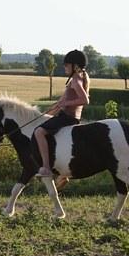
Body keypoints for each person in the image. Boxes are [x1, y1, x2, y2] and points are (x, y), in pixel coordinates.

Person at [34, 49, 90, 178]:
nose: (64, 67)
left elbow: (84, 99)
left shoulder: (76, 81)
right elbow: (60, 102)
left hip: (68, 118)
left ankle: (46, 167)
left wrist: (65, 104)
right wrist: (48, 113)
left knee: (39, 132)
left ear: (75, 66)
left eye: (66, 65)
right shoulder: (75, 80)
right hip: (66, 116)